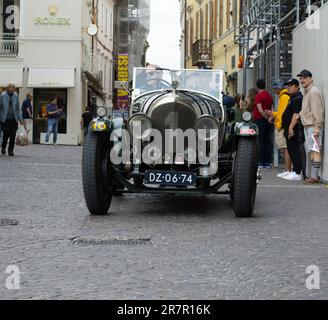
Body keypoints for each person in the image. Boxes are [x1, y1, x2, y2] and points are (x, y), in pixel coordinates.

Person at [297, 70, 325, 184]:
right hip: (309, 126)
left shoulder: (313, 92)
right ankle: (314, 176)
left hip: (313, 126)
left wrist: (317, 126)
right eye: (301, 78)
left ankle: (314, 177)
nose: (302, 80)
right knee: (313, 151)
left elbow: (317, 111)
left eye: (304, 78)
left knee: (315, 150)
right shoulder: (307, 92)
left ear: (310, 79)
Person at [281, 78, 305, 181]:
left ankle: (297, 172)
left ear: (296, 86)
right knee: (291, 150)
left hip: (294, 129)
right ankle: (293, 171)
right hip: (288, 129)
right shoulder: (293, 97)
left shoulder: (298, 98)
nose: (288, 88)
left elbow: (296, 114)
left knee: (294, 151)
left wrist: (290, 127)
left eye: (290, 86)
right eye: (287, 86)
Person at [266, 80, 292, 178]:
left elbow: (284, 113)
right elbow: (281, 112)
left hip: (282, 127)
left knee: (285, 149)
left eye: (274, 87)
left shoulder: (284, 96)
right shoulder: (283, 96)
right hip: (281, 125)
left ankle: (288, 170)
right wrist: (273, 114)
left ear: (278, 88)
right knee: (284, 149)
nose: (273, 89)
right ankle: (287, 169)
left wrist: (280, 125)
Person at [253, 79, 274, 169]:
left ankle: (261, 162)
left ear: (257, 86)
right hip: (269, 121)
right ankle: (268, 162)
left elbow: (260, 109)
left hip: (260, 120)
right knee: (268, 141)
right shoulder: (269, 96)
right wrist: (270, 117)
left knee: (260, 141)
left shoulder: (258, 96)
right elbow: (272, 108)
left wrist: (265, 117)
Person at [0, 83, 23, 156]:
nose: (12, 89)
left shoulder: (16, 96)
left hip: (14, 119)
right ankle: (3, 147)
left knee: (13, 135)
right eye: (10, 87)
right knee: (6, 135)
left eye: (13, 87)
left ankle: (11, 150)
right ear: (7, 88)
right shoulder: (2, 95)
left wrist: (20, 119)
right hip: (5, 119)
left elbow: (18, 108)